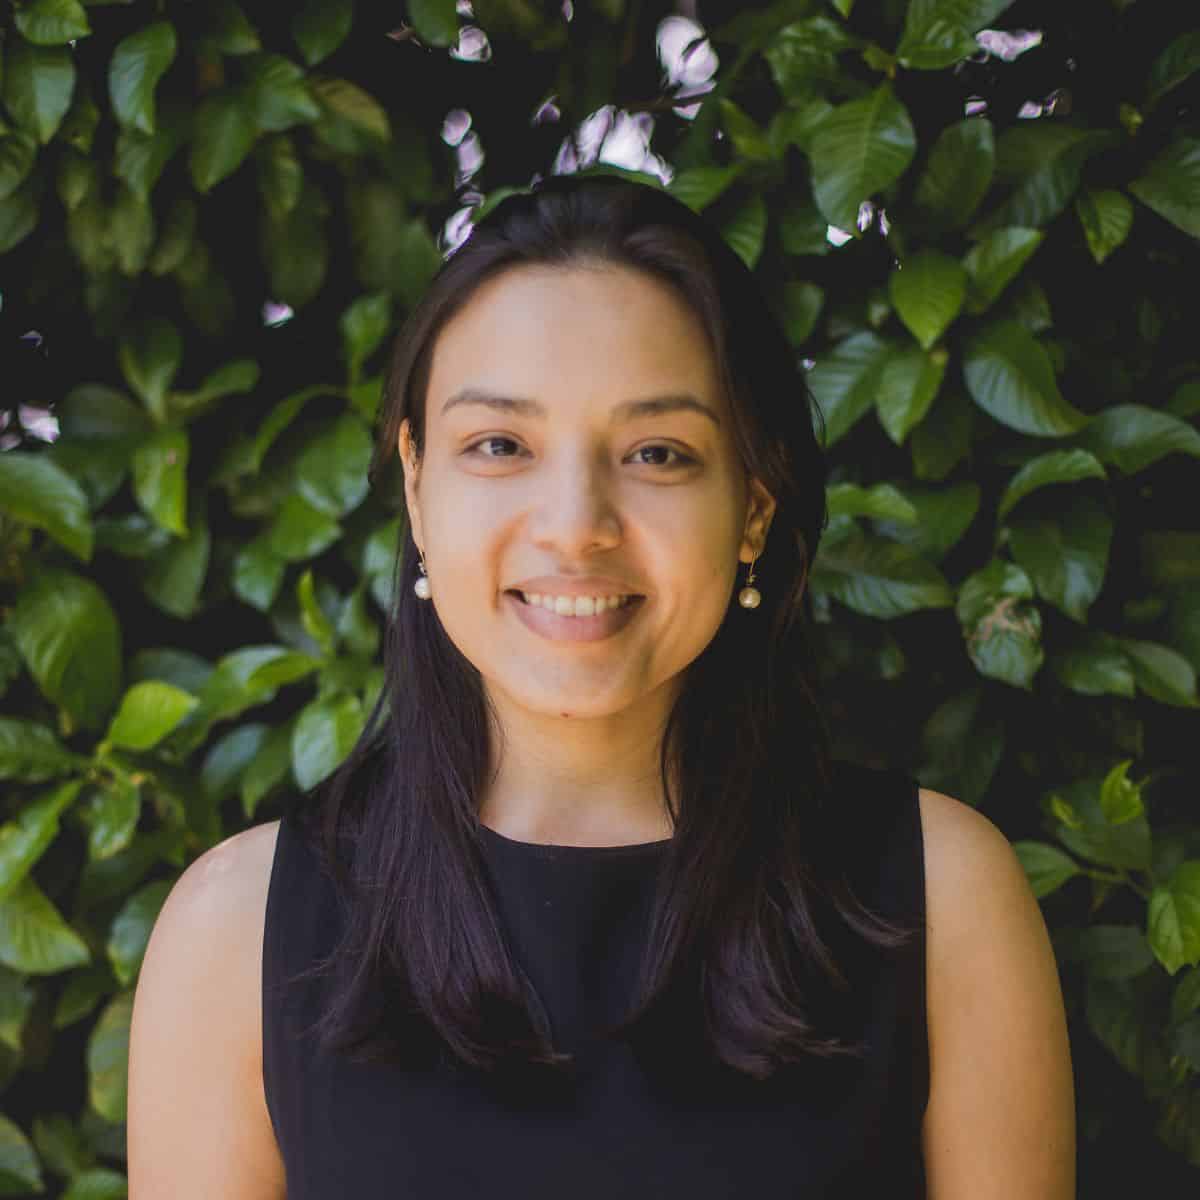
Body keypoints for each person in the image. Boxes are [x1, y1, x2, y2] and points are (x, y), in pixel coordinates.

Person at [127, 173, 1075, 1197]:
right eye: (500, 445)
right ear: (415, 484)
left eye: (657, 452)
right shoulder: (236, 934)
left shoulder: (942, 898)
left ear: (754, 506)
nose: (575, 522)